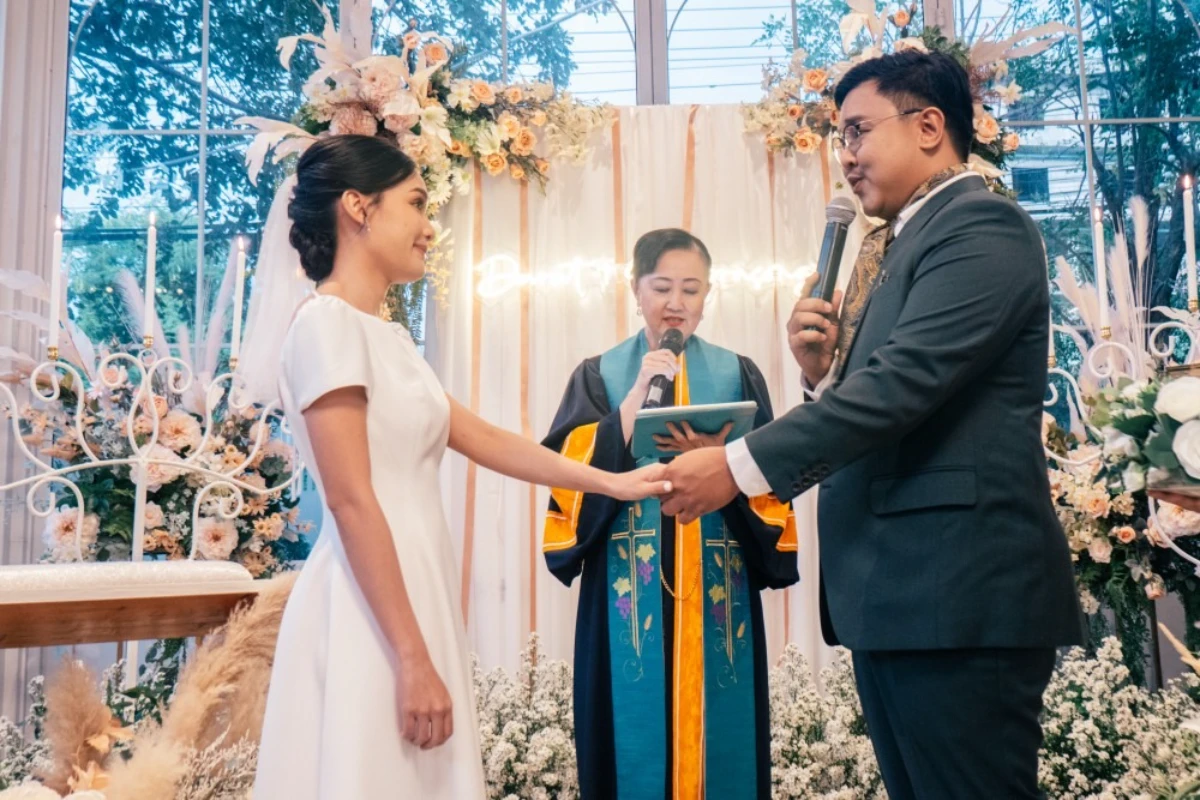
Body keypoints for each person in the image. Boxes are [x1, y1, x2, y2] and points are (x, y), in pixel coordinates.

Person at [660, 53, 1084, 798]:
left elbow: (900, 387)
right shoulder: (898, 245)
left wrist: (732, 467)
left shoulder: (979, 226)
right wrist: (822, 373)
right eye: (841, 138)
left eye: (858, 131)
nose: (846, 156)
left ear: (929, 126)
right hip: (906, 598)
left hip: (958, 597)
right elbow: (895, 400)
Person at [253, 135, 670, 799]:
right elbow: (350, 500)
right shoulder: (325, 326)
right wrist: (410, 655)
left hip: (416, 591)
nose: (429, 228)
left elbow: (482, 437)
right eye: (416, 204)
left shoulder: (387, 337)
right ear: (358, 207)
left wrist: (610, 481)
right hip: (368, 609)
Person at [541, 228, 800, 800]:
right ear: (635, 289)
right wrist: (630, 408)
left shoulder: (737, 374)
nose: (676, 303)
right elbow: (564, 488)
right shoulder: (600, 375)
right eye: (661, 288)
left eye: (691, 289)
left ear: (708, 295)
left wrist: (724, 463)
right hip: (625, 597)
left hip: (718, 587)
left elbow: (773, 487)